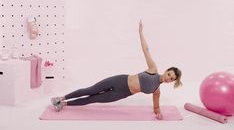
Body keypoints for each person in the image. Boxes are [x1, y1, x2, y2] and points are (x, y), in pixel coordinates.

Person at [51, 20, 182, 120]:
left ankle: (63, 105)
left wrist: (158, 113)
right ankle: (61, 98)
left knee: (93, 99)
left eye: (171, 79)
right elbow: (146, 50)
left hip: (121, 93)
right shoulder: (153, 69)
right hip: (120, 80)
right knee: (90, 90)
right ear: (166, 71)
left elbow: (156, 107)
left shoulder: (156, 91)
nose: (168, 78)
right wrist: (140, 33)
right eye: (169, 74)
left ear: (171, 82)